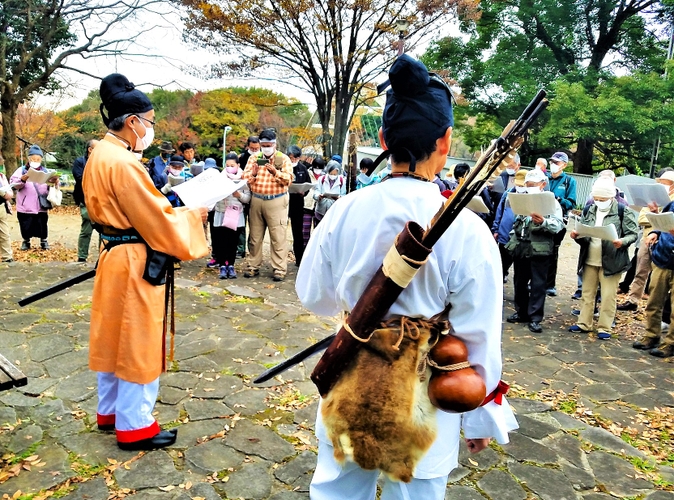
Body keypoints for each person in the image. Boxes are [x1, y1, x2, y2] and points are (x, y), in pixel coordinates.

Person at [296, 54, 516, 500]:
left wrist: (362, 313)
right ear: (446, 140)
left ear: (383, 138)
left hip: (350, 375)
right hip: (427, 395)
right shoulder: (469, 228)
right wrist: (477, 414)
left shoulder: (343, 210)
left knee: (337, 493)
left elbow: (312, 296)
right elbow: (478, 336)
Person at [84, 73, 208, 450]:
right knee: (137, 338)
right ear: (133, 121)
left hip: (113, 254)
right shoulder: (123, 163)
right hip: (134, 260)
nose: (151, 129)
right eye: (150, 122)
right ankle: (135, 424)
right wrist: (193, 215)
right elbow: (156, 220)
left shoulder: (101, 155)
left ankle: (111, 412)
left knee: (113, 337)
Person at [568, 177, 638, 340]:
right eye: (597, 199)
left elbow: (633, 234)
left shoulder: (622, 211)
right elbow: (584, 233)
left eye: (603, 199)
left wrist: (622, 241)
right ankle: (584, 323)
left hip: (611, 260)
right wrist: (577, 235)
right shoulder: (589, 209)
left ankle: (604, 326)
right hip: (590, 258)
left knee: (608, 295)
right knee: (587, 292)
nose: (599, 202)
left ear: (611, 197)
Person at [505, 169, 563, 333]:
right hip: (522, 246)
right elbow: (517, 221)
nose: (529, 187)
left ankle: (535, 317)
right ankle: (521, 311)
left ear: (543, 184)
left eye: (533, 185)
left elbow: (558, 225)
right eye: (527, 185)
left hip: (540, 248)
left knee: (538, 284)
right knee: (519, 281)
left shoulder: (551, 202)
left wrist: (544, 222)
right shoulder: (523, 199)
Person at [618, 170, 674, 311]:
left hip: (665, 243)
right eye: (660, 182)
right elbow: (642, 218)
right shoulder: (651, 197)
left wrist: (656, 217)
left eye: (665, 183)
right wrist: (660, 219)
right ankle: (633, 300)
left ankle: (660, 307)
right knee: (640, 270)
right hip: (647, 239)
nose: (662, 185)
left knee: (660, 276)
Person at [242, 129, 293, 281]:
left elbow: (288, 180)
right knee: (255, 236)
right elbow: (245, 178)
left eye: (268, 145)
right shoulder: (254, 158)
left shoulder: (282, 159)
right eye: (263, 145)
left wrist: (275, 173)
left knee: (278, 235)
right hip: (257, 199)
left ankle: (279, 268)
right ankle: (252, 266)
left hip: (276, 200)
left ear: (274, 144)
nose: (266, 148)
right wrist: (254, 173)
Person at [633, 199, 674, 358]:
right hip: (662, 259)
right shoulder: (672, 204)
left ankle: (671, 343)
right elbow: (662, 224)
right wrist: (654, 232)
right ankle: (652, 335)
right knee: (653, 302)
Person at [10, 145, 59, 250]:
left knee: (42, 223)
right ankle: (26, 241)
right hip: (25, 204)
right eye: (33, 159)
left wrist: (54, 182)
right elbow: (13, 184)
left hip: (41, 203)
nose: (35, 161)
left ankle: (43, 241)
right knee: (25, 224)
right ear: (28, 158)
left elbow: (51, 187)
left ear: (41, 159)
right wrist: (22, 180)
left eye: (38, 159)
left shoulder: (46, 171)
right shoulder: (21, 170)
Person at [212, 153, 250, 278]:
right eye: (227, 165)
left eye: (232, 165)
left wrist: (238, 195)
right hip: (222, 212)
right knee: (221, 241)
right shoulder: (219, 178)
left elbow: (247, 199)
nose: (229, 168)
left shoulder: (244, 178)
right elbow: (213, 195)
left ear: (238, 165)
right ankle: (223, 265)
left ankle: (231, 265)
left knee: (233, 242)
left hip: (235, 214)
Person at [545, 151, 577, 297]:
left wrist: (557, 199)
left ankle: (550, 284)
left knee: (553, 251)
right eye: (551, 162)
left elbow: (571, 203)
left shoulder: (569, 181)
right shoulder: (545, 178)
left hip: (558, 221)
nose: (553, 165)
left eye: (556, 163)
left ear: (564, 165)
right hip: (542, 217)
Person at [492, 170, 526, 282]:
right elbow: (499, 212)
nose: (519, 187)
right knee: (501, 264)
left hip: (520, 239)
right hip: (504, 235)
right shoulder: (508, 193)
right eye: (518, 184)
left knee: (519, 269)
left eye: (522, 184)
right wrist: (495, 229)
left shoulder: (529, 197)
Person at [72, 139, 99, 262]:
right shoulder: (80, 162)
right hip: (85, 199)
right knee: (87, 227)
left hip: (100, 201)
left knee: (103, 230)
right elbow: (80, 178)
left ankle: (103, 255)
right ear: (90, 149)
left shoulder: (101, 162)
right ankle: (82, 256)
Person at [287, 145, 312, 266]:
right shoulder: (283, 167)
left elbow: (308, 184)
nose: (293, 160)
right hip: (284, 203)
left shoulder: (303, 168)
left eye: (296, 158)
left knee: (298, 233)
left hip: (298, 203)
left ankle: (299, 259)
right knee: (280, 232)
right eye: (291, 158)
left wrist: (304, 191)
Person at [237, 136, 261, 258]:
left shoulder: (263, 157)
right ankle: (240, 249)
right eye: (252, 148)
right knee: (241, 223)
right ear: (248, 146)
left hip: (257, 193)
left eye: (257, 148)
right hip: (243, 192)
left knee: (254, 225)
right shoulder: (241, 158)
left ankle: (252, 249)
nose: (255, 150)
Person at [313, 160, 346, 225]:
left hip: (333, 212)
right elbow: (316, 192)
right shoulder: (321, 179)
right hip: (320, 211)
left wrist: (339, 198)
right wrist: (319, 196)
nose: (332, 175)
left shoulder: (342, 181)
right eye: (331, 174)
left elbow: (343, 195)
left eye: (335, 174)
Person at [0, 166, 13, 262]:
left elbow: (8, 193)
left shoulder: (2, 176)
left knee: (4, 232)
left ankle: (7, 256)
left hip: (1, 205)